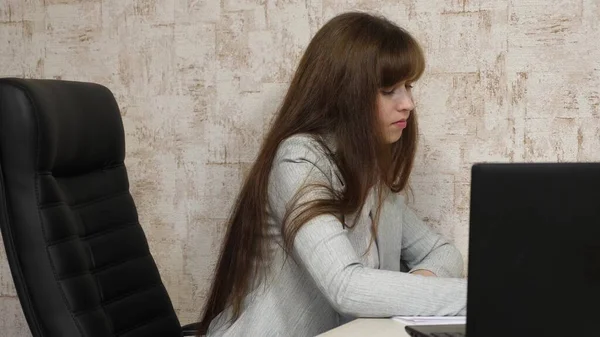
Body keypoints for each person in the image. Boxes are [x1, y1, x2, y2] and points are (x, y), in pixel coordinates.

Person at [198, 11, 467, 337]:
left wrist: (414, 287)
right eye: (389, 90)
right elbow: (347, 286)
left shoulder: (369, 173)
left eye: (408, 87)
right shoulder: (298, 160)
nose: (408, 103)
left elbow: (442, 253)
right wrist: (484, 299)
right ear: (344, 93)